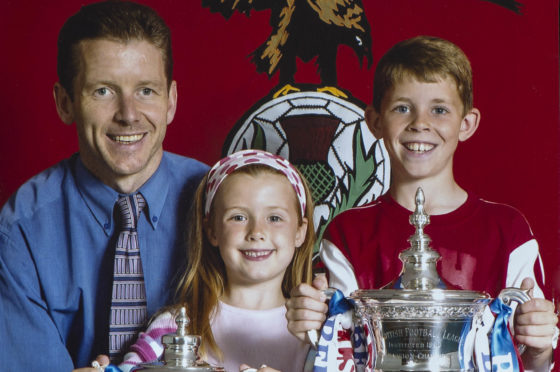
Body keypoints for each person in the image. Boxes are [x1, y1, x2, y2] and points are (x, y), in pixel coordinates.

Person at [285, 36, 558, 372]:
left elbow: (532, 361)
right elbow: (337, 354)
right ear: (375, 121)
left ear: (467, 123)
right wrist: (310, 325)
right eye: (402, 108)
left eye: (439, 110)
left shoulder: (509, 230)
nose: (420, 123)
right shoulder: (347, 233)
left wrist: (539, 347)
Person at [0, 2, 208, 371]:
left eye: (146, 90)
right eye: (103, 91)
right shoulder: (21, 229)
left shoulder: (219, 202)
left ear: (171, 101)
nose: (128, 114)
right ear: (65, 103)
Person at [115, 149, 315, 372]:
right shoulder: (175, 325)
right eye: (238, 217)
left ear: (300, 231)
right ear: (211, 230)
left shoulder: (318, 330)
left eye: (274, 218)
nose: (257, 232)